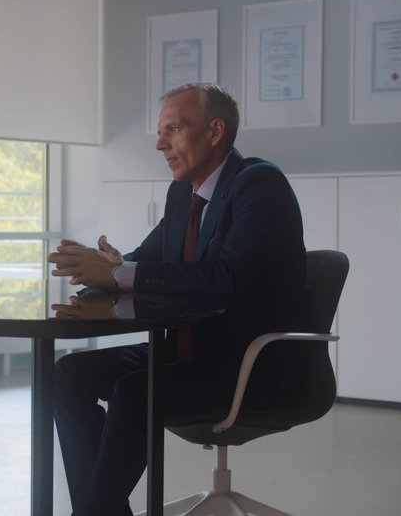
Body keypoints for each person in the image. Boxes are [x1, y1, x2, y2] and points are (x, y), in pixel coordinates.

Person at [47, 83, 310, 516]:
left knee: (135, 392)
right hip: (187, 352)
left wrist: (119, 273)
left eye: (172, 128)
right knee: (66, 374)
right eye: (159, 131)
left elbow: (226, 277)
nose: (159, 143)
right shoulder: (181, 193)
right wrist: (110, 266)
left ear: (214, 131)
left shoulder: (260, 184)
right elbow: (147, 261)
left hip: (248, 363)